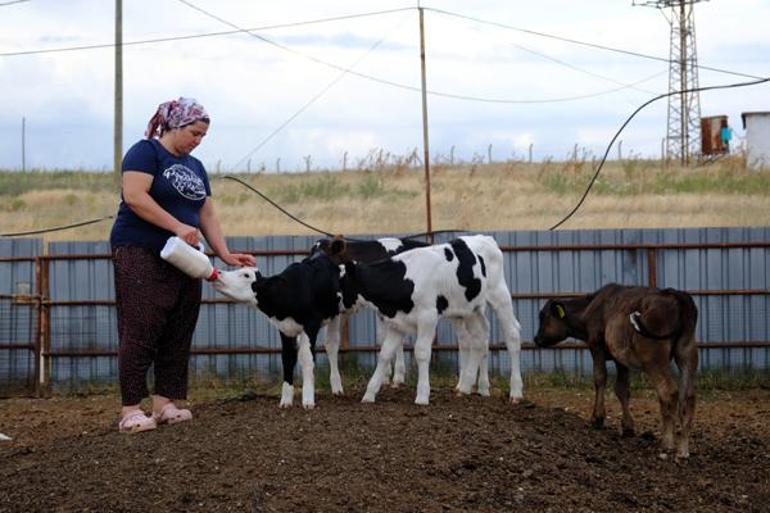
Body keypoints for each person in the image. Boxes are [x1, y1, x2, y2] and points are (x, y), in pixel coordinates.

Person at [110, 97, 256, 433]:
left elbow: (206, 214)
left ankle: (165, 403)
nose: (198, 140)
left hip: (186, 256)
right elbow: (134, 196)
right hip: (140, 248)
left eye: (203, 135)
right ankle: (131, 408)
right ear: (174, 125)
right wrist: (176, 225)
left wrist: (224, 253)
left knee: (179, 323)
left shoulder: (196, 166)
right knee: (142, 325)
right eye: (194, 132)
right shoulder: (145, 152)